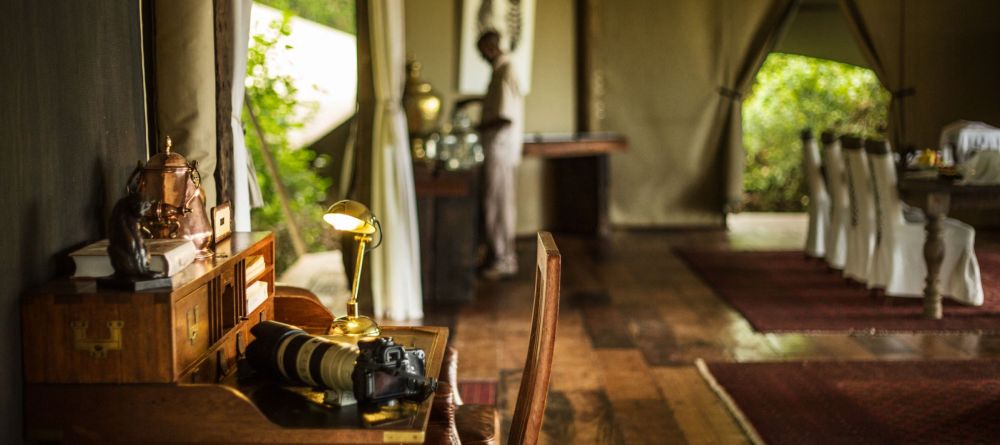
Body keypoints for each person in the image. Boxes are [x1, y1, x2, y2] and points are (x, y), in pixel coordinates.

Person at [476, 29, 524, 279]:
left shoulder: (505, 71)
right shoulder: (500, 72)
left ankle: (504, 259)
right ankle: (497, 253)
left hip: (501, 149)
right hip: (497, 149)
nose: (482, 57)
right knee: (495, 203)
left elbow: (505, 117)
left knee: (499, 205)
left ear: (491, 47)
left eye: (482, 51)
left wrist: (477, 127)